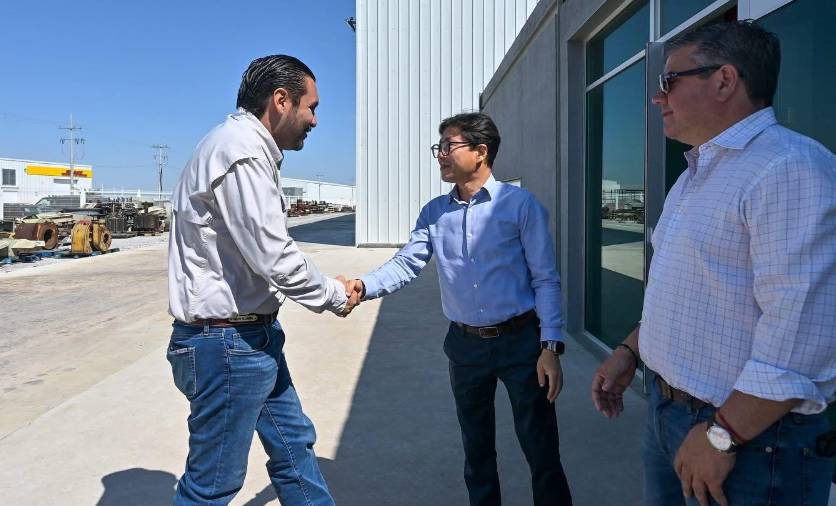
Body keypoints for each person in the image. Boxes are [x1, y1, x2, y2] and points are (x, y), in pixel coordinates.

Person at [591, 21, 836, 506]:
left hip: (750, 441)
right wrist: (629, 350)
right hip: (671, 415)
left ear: (724, 80)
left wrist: (723, 434)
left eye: (668, 81)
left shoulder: (788, 168)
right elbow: (684, 291)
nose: (657, 97)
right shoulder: (697, 176)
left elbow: (803, 338)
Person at [346, 112, 572, 505]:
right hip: (465, 347)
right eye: (439, 148)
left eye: (449, 146)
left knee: (541, 449)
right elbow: (407, 262)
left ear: (481, 152)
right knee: (476, 450)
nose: (441, 155)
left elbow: (545, 278)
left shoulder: (519, 206)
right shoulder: (435, 213)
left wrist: (550, 346)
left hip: (522, 343)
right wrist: (364, 286)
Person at [166, 54, 358, 506]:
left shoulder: (242, 148)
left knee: (294, 448)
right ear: (280, 100)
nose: (313, 119)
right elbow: (275, 256)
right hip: (227, 344)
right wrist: (334, 294)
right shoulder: (241, 150)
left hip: (251, 336)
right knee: (211, 485)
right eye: (310, 107)